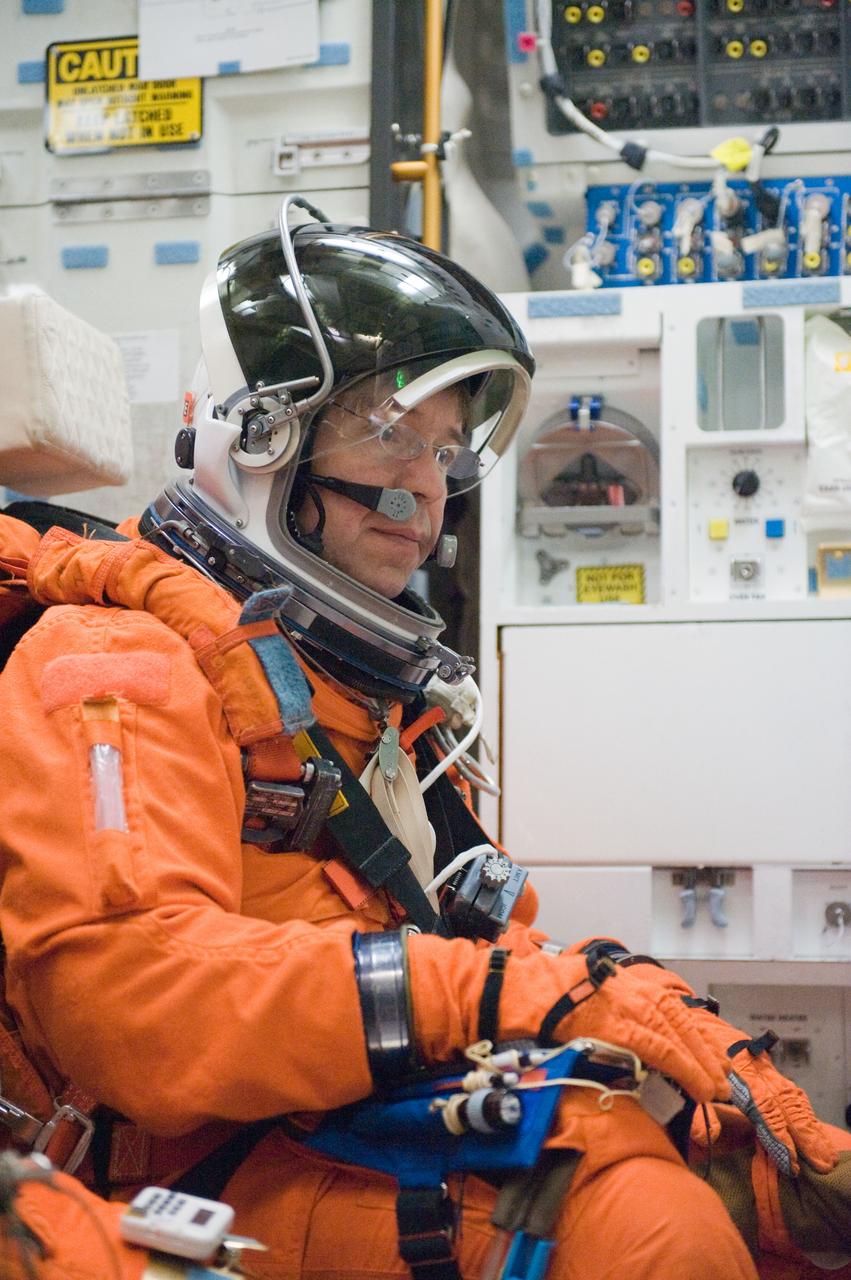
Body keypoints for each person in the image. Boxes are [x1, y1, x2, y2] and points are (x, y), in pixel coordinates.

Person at [0, 196, 845, 1280]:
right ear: (263, 432)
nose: (426, 493)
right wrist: (501, 992)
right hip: (192, 1167)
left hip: (343, 1120)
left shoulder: (355, 703)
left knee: (744, 1195)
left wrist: (648, 1013)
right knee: (646, 1231)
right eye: (393, 432)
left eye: (446, 452)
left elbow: (464, 930)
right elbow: (131, 1005)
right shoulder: (116, 664)